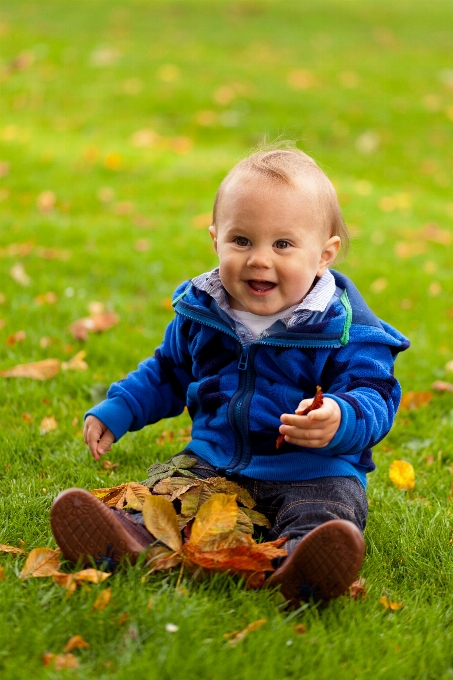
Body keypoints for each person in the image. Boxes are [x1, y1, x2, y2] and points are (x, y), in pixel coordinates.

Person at [50, 144, 409, 604]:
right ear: (215, 239)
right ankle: (129, 538)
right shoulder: (204, 312)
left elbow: (375, 394)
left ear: (324, 255)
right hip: (215, 459)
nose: (260, 259)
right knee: (165, 493)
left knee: (325, 510)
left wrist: (341, 416)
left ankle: (303, 561)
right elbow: (169, 370)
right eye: (242, 241)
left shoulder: (347, 331)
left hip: (312, 469)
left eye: (282, 244)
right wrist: (119, 408)